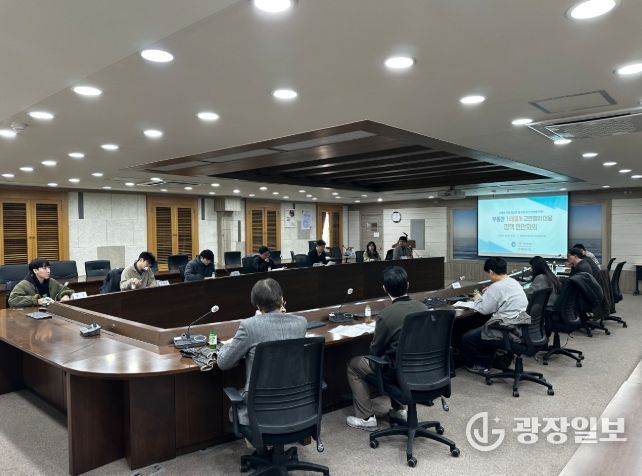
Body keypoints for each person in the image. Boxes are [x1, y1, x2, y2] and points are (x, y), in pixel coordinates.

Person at [345, 266, 427, 431]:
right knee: (395, 354)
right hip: (422, 368)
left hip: (397, 371)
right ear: (408, 285)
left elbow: (375, 350)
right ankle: (399, 410)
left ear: (384, 288)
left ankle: (366, 417)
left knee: (354, 365)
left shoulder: (386, 314)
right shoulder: (423, 308)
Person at [217, 278, 307, 425]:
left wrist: (227, 344)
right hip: (293, 401)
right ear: (282, 299)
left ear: (258, 306)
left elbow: (223, 362)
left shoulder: (249, 326)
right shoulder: (301, 323)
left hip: (259, 407)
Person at [461, 257, 528, 375]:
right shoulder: (513, 282)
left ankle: (477, 365)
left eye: (488, 273)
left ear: (491, 272)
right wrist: (490, 292)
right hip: (520, 326)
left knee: (468, 337)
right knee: (484, 328)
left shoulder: (496, 287)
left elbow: (484, 310)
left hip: (507, 328)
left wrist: (478, 298)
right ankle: (488, 362)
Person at [8, 258, 74, 308]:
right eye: (45, 268)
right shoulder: (24, 284)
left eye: (49, 268)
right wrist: (37, 301)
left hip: (50, 312)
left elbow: (64, 290)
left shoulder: (51, 281)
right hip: (31, 315)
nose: (48, 271)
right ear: (35, 270)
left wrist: (65, 295)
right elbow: (12, 300)